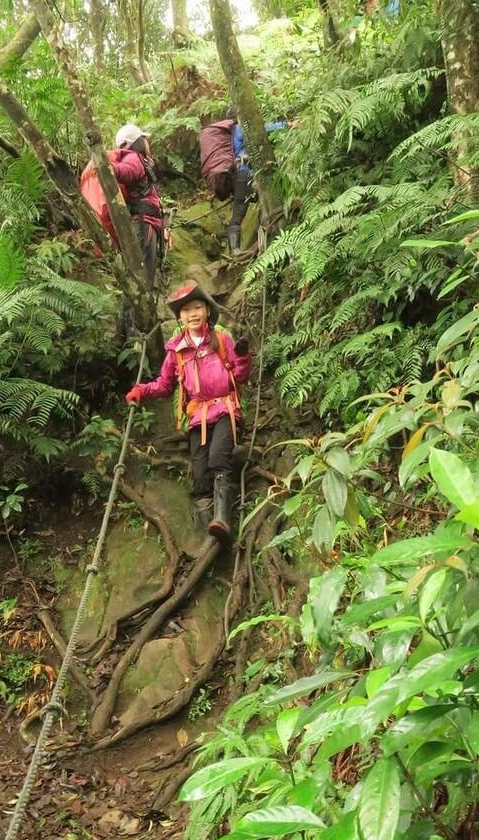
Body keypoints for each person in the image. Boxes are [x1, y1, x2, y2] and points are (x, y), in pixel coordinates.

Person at [125, 280, 251, 541]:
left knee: (218, 459)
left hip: (225, 408)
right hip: (197, 417)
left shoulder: (221, 339)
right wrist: (141, 390)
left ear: (207, 310)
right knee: (199, 474)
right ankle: (207, 533)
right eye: (185, 310)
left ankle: (223, 520)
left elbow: (239, 376)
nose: (192, 314)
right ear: (179, 317)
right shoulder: (176, 351)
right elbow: (164, 384)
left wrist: (242, 358)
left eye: (197, 307)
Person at [225, 111, 288, 255]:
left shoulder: (234, 131)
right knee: (239, 211)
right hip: (244, 174)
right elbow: (261, 129)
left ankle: (261, 243)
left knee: (248, 209)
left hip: (247, 174)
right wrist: (286, 125)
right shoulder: (240, 129)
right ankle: (235, 251)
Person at [111, 123, 164, 286]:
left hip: (147, 222)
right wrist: (108, 167)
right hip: (143, 224)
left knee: (143, 276)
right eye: (144, 139)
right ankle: (135, 312)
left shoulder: (141, 160)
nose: (147, 143)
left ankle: (138, 310)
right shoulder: (133, 157)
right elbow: (125, 172)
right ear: (137, 142)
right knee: (141, 278)